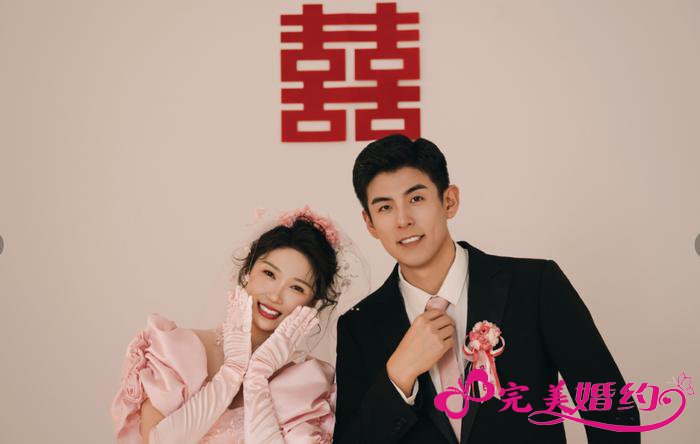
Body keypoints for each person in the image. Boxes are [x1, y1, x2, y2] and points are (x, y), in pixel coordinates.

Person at [333, 135, 641, 443]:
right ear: (370, 223)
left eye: (416, 199)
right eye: (385, 207)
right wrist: (399, 376)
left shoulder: (535, 286)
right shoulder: (359, 326)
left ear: (449, 201)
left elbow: (612, 408)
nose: (403, 220)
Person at [111, 206, 350, 443]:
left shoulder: (306, 384)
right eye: (269, 274)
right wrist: (232, 371)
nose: (275, 296)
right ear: (247, 271)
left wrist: (258, 375)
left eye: (296, 287)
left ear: (312, 304)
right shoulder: (176, 350)